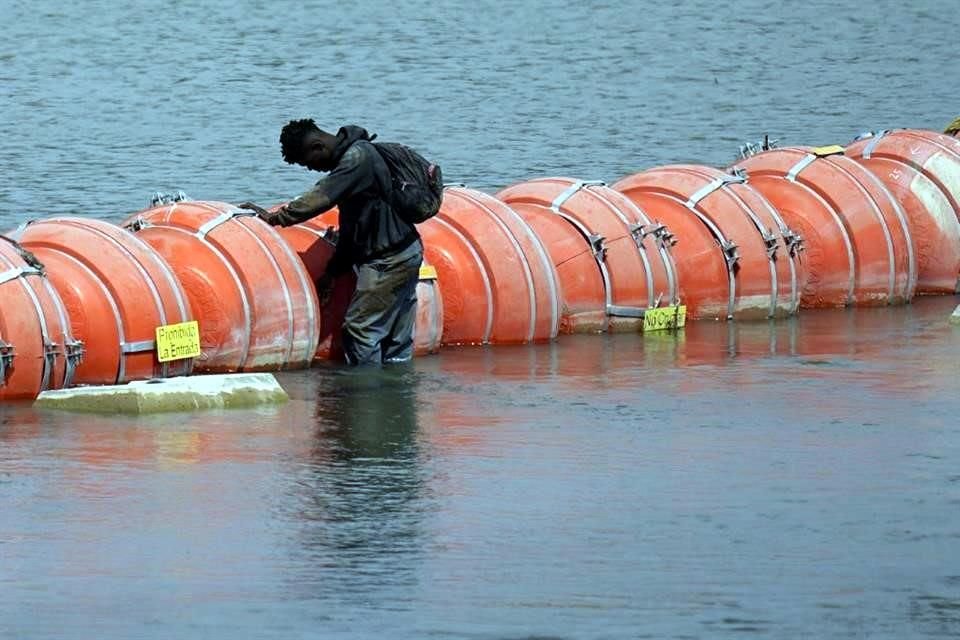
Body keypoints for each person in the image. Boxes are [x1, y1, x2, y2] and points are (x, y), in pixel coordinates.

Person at [239, 120, 423, 366]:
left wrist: (275, 218)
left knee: (360, 331)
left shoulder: (356, 160)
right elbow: (353, 230)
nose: (312, 169)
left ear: (317, 147)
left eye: (308, 163)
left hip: (387, 262)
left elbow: (320, 197)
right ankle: (396, 395)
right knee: (395, 339)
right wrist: (333, 272)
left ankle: (367, 396)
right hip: (406, 251)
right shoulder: (360, 155)